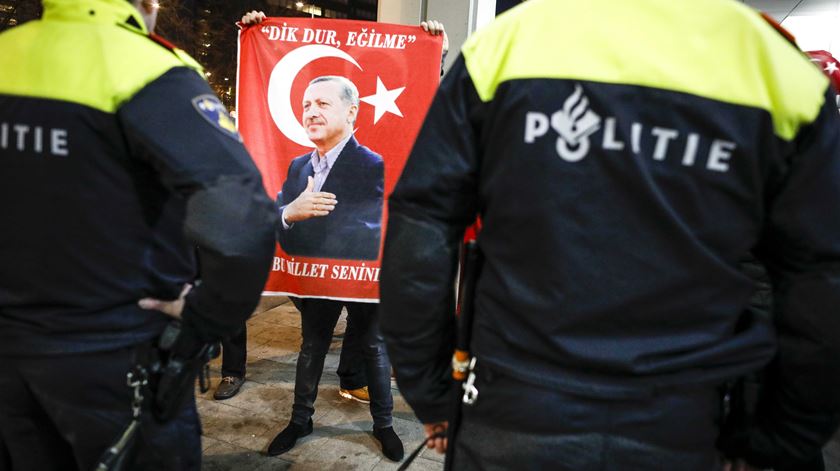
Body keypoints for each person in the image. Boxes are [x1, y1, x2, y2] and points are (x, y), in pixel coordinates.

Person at [380, 0, 840, 470]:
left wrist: (433, 393)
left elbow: (420, 234)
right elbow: (821, 281)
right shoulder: (780, 73)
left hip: (514, 412)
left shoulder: (509, 45)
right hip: (684, 422)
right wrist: (782, 436)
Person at [0, 0, 277, 469]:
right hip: (112, 356)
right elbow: (243, 216)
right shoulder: (143, 68)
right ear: (147, 3)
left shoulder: (10, 51)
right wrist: (205, 321)